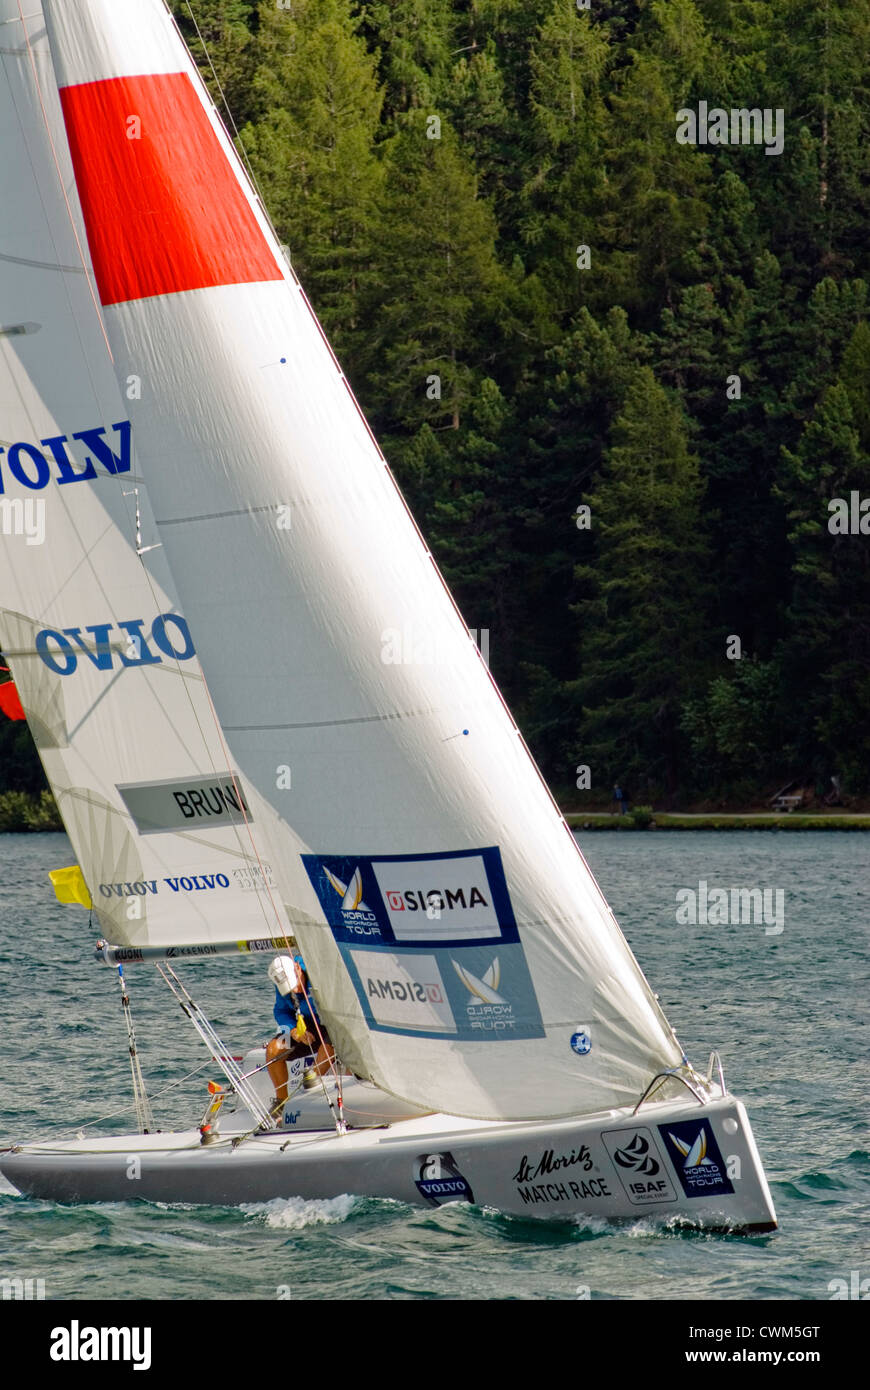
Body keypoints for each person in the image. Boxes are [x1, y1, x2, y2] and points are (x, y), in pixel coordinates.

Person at [265, 956, 334, 1117]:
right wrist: (293, 1030)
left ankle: (309, 1094)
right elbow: (281, 1011)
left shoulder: (317, 973)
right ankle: (281, 1103)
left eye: (295, 985)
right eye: (289, 989)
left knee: (328, 1047)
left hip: (330, 1024)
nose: (294, 991)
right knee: (273, 1049)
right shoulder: (281, 982)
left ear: (297, 968)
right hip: (306, 1027)